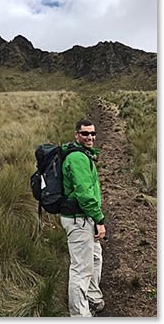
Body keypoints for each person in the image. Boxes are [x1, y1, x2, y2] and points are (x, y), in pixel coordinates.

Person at [60, 118, 106, 317]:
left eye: (93, 133)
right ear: (76, 135)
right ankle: (80, 316)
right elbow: (84, 194)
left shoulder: (83, 154)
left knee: (95, 257)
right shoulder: (78, 158)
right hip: (79, 219)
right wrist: (99, 220)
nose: (90, 137)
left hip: (84, 217)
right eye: (85, 133)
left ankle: (93, 296)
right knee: (81, 269)